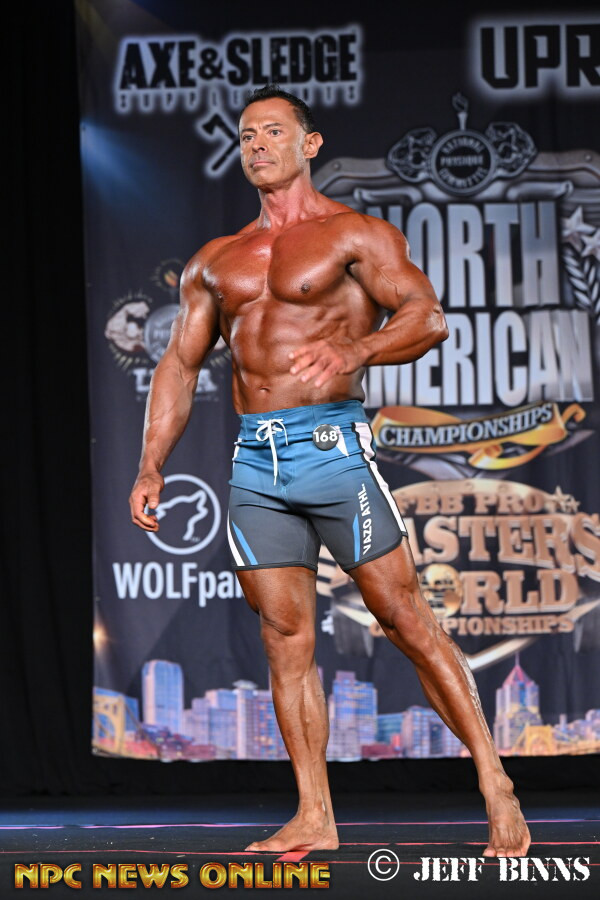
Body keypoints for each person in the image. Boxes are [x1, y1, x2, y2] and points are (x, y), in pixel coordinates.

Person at [129, 85, 530, 857]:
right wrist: (150, 464)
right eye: (247, 135)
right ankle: (315, 812)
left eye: (273, 131)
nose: (257, 145)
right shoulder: (215, 260)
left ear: (309, 144)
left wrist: (357, 349)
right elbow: (179, 367)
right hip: (256, 461)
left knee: (406, 620)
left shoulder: (354, 234)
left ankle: (494, 780)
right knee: (285, 639)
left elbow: (426, 316)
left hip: (334, 449)